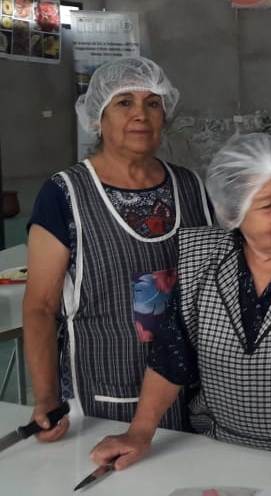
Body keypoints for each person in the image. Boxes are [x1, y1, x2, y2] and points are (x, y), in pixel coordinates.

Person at [89, 133, 271, 479]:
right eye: (267, 205)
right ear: (234, 212)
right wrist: (140, 432)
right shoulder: (202, 257)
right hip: (217, 448)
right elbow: (172, 357)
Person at [23, 56, 211, 441]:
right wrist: (45, 396)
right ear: (97, 117)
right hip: (104, 402)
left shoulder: (191, 187)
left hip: (193, 399)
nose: (140, 114)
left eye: (153, 103)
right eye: (124, 102)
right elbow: (40, 307)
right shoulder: (65, 194)